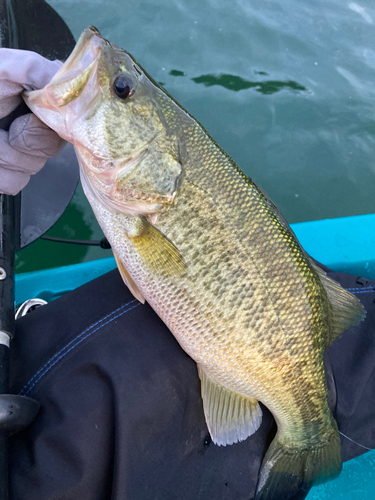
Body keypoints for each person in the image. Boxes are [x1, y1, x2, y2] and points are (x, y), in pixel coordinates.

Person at [1, 49, 375, 500]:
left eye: (121, 90)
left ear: (167, 165)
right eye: (123, 88)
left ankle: (306, 434)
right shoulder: (140, 203)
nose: (113, 83)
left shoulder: (143, 206)